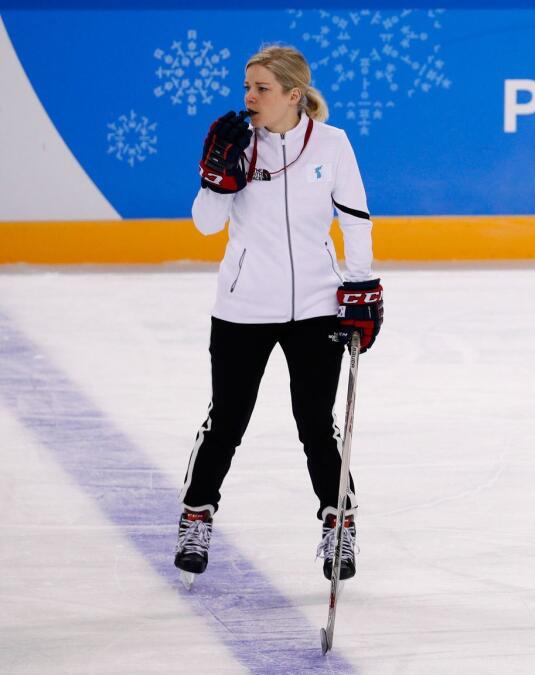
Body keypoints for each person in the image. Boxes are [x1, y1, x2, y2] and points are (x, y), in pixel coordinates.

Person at [173, 44, 383, 584]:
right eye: (247, 87)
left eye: (262, 89)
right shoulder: (237, 144)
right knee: (227, 421)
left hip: (316, 305)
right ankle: (196, 514)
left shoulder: (332, 144)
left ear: (294, 94)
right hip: (243, 307)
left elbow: (355, 219)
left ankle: (339, 524)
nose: (250, 97)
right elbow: (204, 225)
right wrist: (216, 177)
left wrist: (360, 288)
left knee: (317, 424)